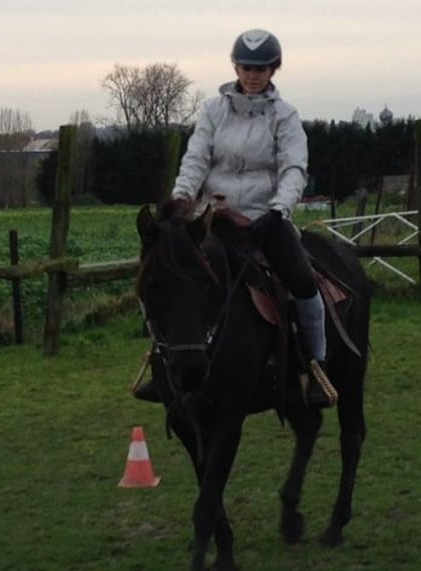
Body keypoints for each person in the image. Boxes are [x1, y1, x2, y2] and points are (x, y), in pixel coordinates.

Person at [134, 28, 336, 408]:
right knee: (168, 276)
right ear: (236, 68)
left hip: (264, 219)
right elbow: (196, 160)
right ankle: (162, 362)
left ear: (273, 70)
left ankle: (314, 364)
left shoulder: (285, 116)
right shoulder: (213, 111)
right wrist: (182, 201)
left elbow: (294, 168)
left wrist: (279, 210)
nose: (253, 75)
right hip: (213, 217)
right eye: (246, 67)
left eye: (261, 68)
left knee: (303, 283)